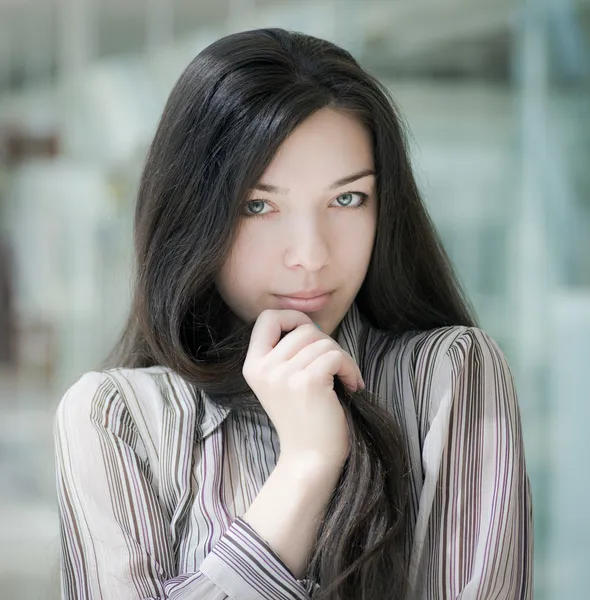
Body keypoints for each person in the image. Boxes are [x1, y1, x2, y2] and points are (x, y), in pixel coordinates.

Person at [53, 28, 533, 600]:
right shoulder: (116, 420)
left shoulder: (448, 378)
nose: (310, 255)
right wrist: (307, 465)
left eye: (348, 199)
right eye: (259, 205)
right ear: (190, 214)